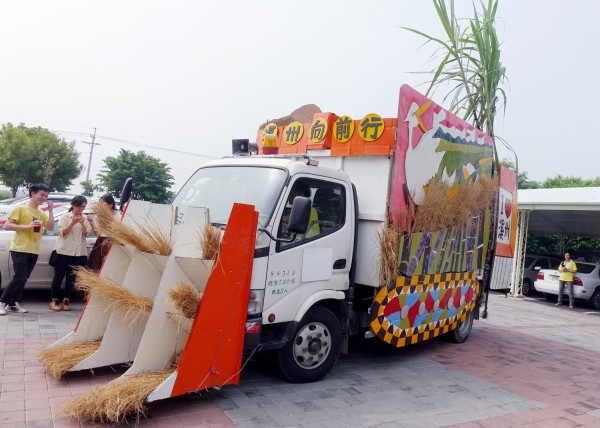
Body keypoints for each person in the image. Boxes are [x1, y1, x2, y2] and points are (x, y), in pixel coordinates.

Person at [0, 183, 55, 316]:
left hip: (34, 250)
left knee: (24, 278)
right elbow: (7, 226)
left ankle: (13, 303)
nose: (44, 198)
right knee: (19, 277)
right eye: (42, 195)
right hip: (20, 248)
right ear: (33, 194)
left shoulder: (41, 213)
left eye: (46, 196)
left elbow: (51, 227)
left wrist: (51, 210)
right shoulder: (20, 209)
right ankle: (2, 302)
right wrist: (28, 226)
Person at [49, 195, 91, 312]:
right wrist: (72, 222)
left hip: (78, 253)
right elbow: (62, 233)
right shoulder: (65, 216)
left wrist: (82, 223)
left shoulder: (85, 218)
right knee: (58, 277)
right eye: (79, 206)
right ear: (73, 205)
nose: (81, 209)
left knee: (71, 278)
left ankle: (66, 300)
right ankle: (54, 300)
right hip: (63, 251)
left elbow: (86, 234)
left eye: (83, 206)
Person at [86, 194, 119, 272]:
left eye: (103, 205)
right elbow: (97, 233)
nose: (100, 207)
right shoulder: (98, 216)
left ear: (111, 205)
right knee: (96, 267)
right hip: (101, 241)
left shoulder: (119, 215)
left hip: (114, 242)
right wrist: (91, 222)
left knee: (111, 268)